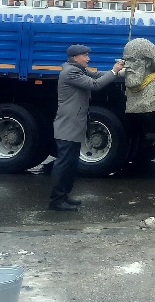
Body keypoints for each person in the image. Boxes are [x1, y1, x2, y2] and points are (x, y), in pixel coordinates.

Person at [49, 44, 123, 211]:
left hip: (74, 125)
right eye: (85, 55)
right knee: (64, 163)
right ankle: (56, 201)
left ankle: (64, 196)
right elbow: (95, 84)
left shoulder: (78, 69)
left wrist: (118, 72)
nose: (88, 58)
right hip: (68, 125)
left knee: (71, 163)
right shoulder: (71, 72)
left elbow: (96, 75)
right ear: (75, 57)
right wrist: (113, 71)